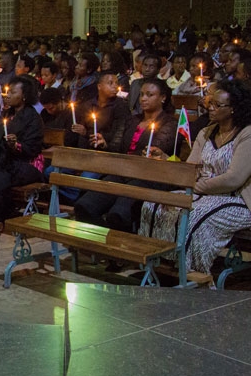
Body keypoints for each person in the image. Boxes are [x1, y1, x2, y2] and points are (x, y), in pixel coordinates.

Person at [139, 80, 251, 277]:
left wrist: (196, 187)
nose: (211, 108)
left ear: (233, 109)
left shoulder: (246, 134)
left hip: (236, 199)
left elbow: (234, 178)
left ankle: (193, 272)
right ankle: (157, 264)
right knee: (153, 206)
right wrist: (171, 164)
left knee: (193, 217)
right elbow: (191, 167)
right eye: (211, 103)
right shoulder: (206, 132)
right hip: (200, 191)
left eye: (218, 105)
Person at [73, 78, 178, 235]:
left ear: (163, 98)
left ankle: (120, 252)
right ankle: (102, 246)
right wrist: (105, 144)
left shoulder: (169, 123)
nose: (143, 98)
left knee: (118, 215)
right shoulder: (132, 119)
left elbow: (158, 147)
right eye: (142, 94)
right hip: (123, 173)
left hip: (147, 177)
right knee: (84, 206)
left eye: (150, 95)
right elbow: (118, 146)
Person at [0, 76, 44, 222]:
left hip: (26, 165)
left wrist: (16, 145)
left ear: (24, 96)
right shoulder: (7, 114)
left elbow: (32, 148)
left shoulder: (32, 118)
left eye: (13, 92)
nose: (8, 96)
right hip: (5, 161)